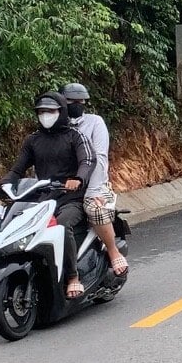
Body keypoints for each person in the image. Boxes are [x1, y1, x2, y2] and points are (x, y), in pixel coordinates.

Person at [0, 92, 96, 298]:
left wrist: (78, 179)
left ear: (61, 112)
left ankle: (72, 277)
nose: (46, 115)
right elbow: (17, 170)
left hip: (70, 199)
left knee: (61, 226)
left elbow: (88, 161)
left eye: (50, 111)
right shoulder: (33, 140)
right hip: (43, 199)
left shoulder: (75, 136)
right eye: (41, 112)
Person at [61, 82, 127, 277]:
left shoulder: (94, 122)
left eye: (80, 101)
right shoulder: (57, 126)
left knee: (94, 209)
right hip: (63, 188)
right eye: (71, 101)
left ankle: (113, 251)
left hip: (94, 185)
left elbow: (99, 158)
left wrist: (92, 192)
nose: (76, 104)